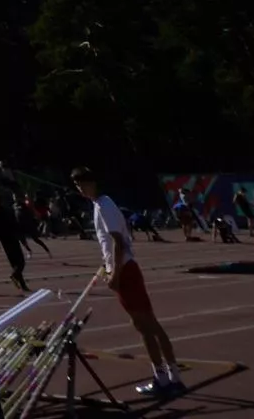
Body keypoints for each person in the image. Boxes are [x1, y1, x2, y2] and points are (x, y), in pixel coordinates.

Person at [73, 168, 183, 398]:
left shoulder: (104, 205)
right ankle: (171, 376)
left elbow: (119, 241)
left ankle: (163, 378)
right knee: (149, 324)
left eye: (83, 184)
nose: (80, 188)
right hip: (124, 268)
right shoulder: (100, 204)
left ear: (93, 182)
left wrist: (115, 275)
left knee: (144, 326)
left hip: (126, 272)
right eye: (77, 185)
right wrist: (107, 265)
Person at [0, 187, 30, 294]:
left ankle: (22, 284)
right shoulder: (6, 211)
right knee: (21, 262)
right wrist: (22, 238)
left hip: (3, 239)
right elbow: (14, 224)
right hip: (12, 237)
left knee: (14, 262)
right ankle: (16, 277)